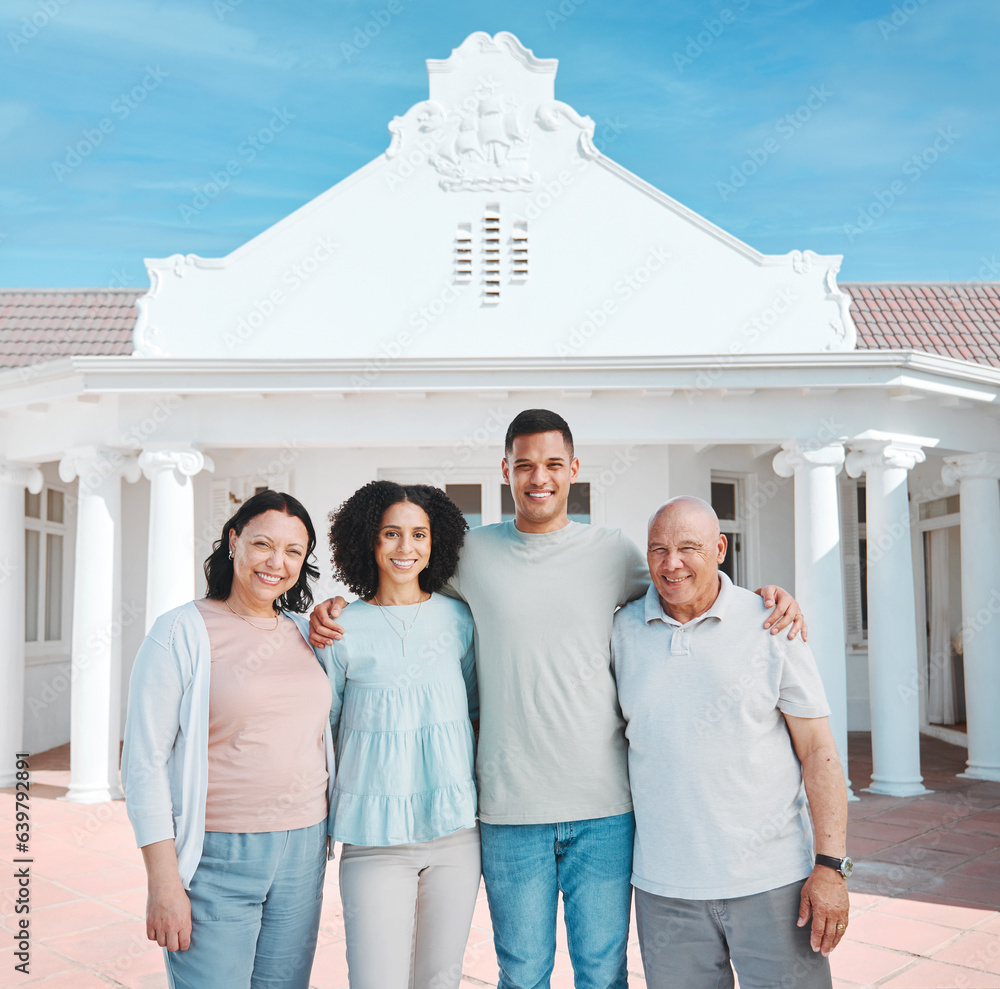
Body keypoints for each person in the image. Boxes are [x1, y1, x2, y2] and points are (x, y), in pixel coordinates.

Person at [311, 409, 806, 989]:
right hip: (508, 809)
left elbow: (688, 580)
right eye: (524, 465)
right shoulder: (470, 556)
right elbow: (402, 590)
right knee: (522, 975)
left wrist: (763, 597)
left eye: (551, 464)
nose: (537, 477)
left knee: (602, 973)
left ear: (573, 469)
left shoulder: (613, 551)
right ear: (505, 472)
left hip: (604, 810)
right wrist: (336, 606)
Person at [611, 497, 850, 989]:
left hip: (773, 883)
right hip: (664, 892)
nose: (671, 562)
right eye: (658, 549)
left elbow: (819, 753)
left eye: (688, 548)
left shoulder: (774, 624)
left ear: (720, 548)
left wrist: (830, 867)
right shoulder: (620, 630)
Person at [121, 490, 333, 989]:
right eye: (263, 544)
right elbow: (143, 762)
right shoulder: (180, 631)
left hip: (304, 849)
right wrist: (163, 882)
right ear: (233, 541)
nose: (276, 563)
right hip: (216, 855)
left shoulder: (307, 633)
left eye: (293, 552)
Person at [324, 480, 480, 989]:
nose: (405, 548)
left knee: (440, 979)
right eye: (391, 533)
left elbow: (477, 710)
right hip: (374, 839)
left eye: (419, 534)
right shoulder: (342, 628)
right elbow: (326, 728)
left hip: (455, 834)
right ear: (369, 539)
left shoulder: (459, 619)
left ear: (436, 544)